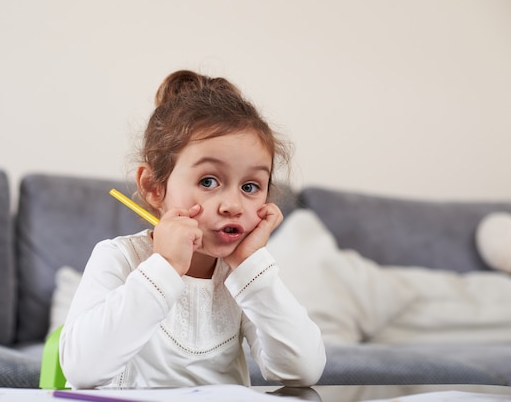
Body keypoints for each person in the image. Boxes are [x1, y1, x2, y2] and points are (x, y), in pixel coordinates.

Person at [59, 70, 326, 389]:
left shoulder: (241, 275)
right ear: (154, 187)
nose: (233, 205)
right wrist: (166, 268)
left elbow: (302, 371)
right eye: (208, 181)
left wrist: (251, 267)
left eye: (251, 186)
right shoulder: (119, 258)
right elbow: (81, 370)